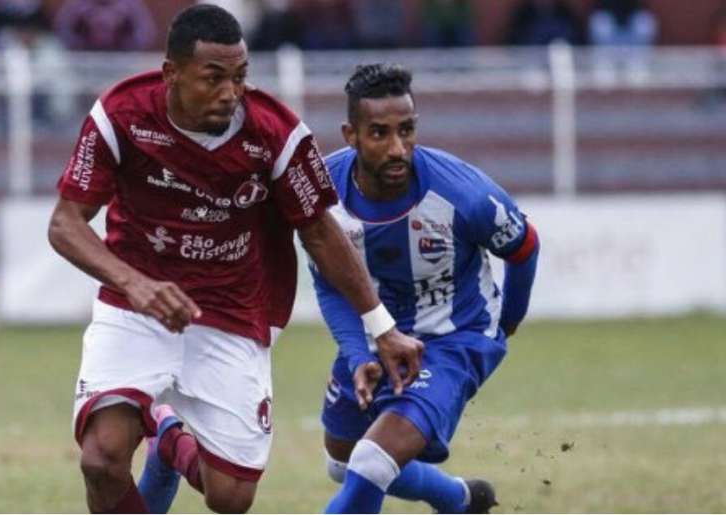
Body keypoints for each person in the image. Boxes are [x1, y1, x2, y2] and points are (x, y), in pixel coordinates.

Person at [47, 5, 423, 513]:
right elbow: (65, 224)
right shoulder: (121, 113)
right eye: (214, 77)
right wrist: (135, 284)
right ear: (171, 73)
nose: (231, 92)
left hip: (231, 313)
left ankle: (167, 430)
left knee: (230, 498)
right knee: (101, 459)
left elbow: (318, 231)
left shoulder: (276, 134)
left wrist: (381, 327)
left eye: (240, 76)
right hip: (136, 307)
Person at [313, 64, 539, 513]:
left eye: (407, 130)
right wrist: (358, 355)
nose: (398, 148)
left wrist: (506, 325)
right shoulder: (324, 194)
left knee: (373, 462)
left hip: (454, 337)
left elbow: (524, 247)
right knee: (341, 463)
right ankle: (458, 499)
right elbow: (330, 283)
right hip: (377, 335)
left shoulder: (463, 193)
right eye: (379, 133)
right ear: (350, 134)